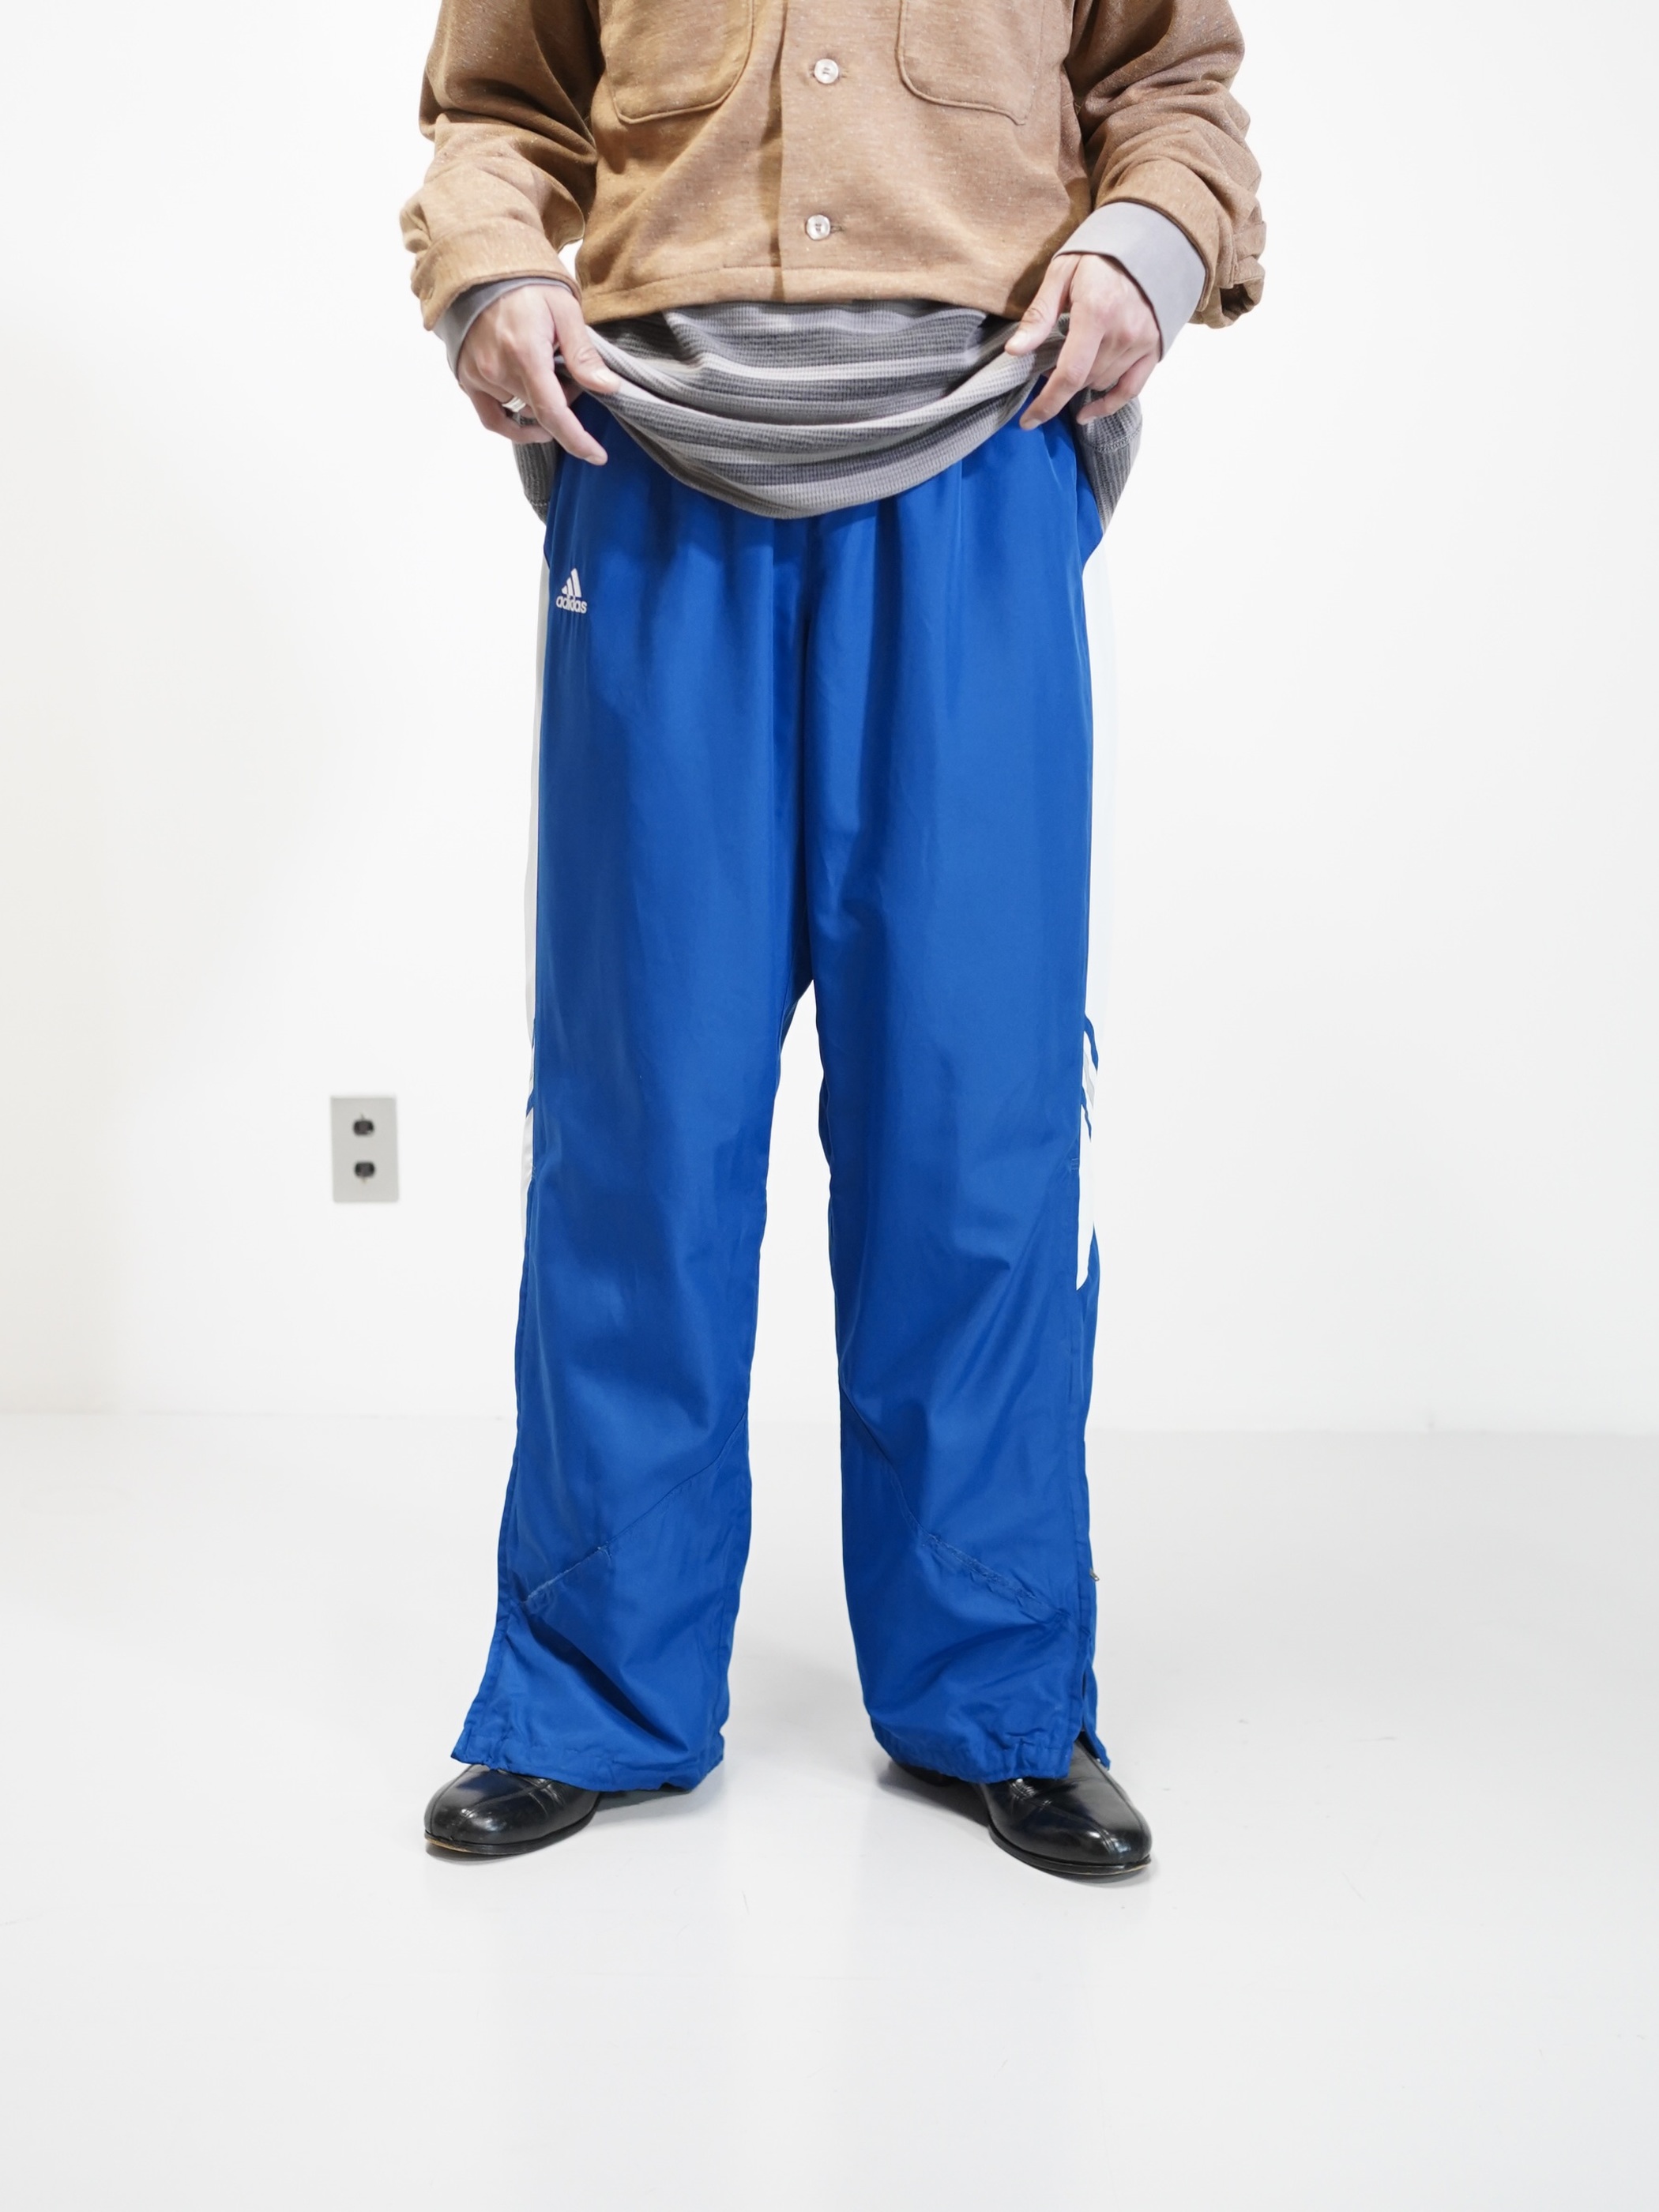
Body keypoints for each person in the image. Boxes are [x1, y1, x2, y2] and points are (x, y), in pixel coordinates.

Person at [402, 0, 1263, 1878]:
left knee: (975, 1119)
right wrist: (486, 273)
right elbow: (497, 113)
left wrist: (1147, 246)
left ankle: (998, 1696)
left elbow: (1172, 88)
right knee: (638, 1121)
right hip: (653, 476)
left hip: (979, 461)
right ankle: (590, 1693)